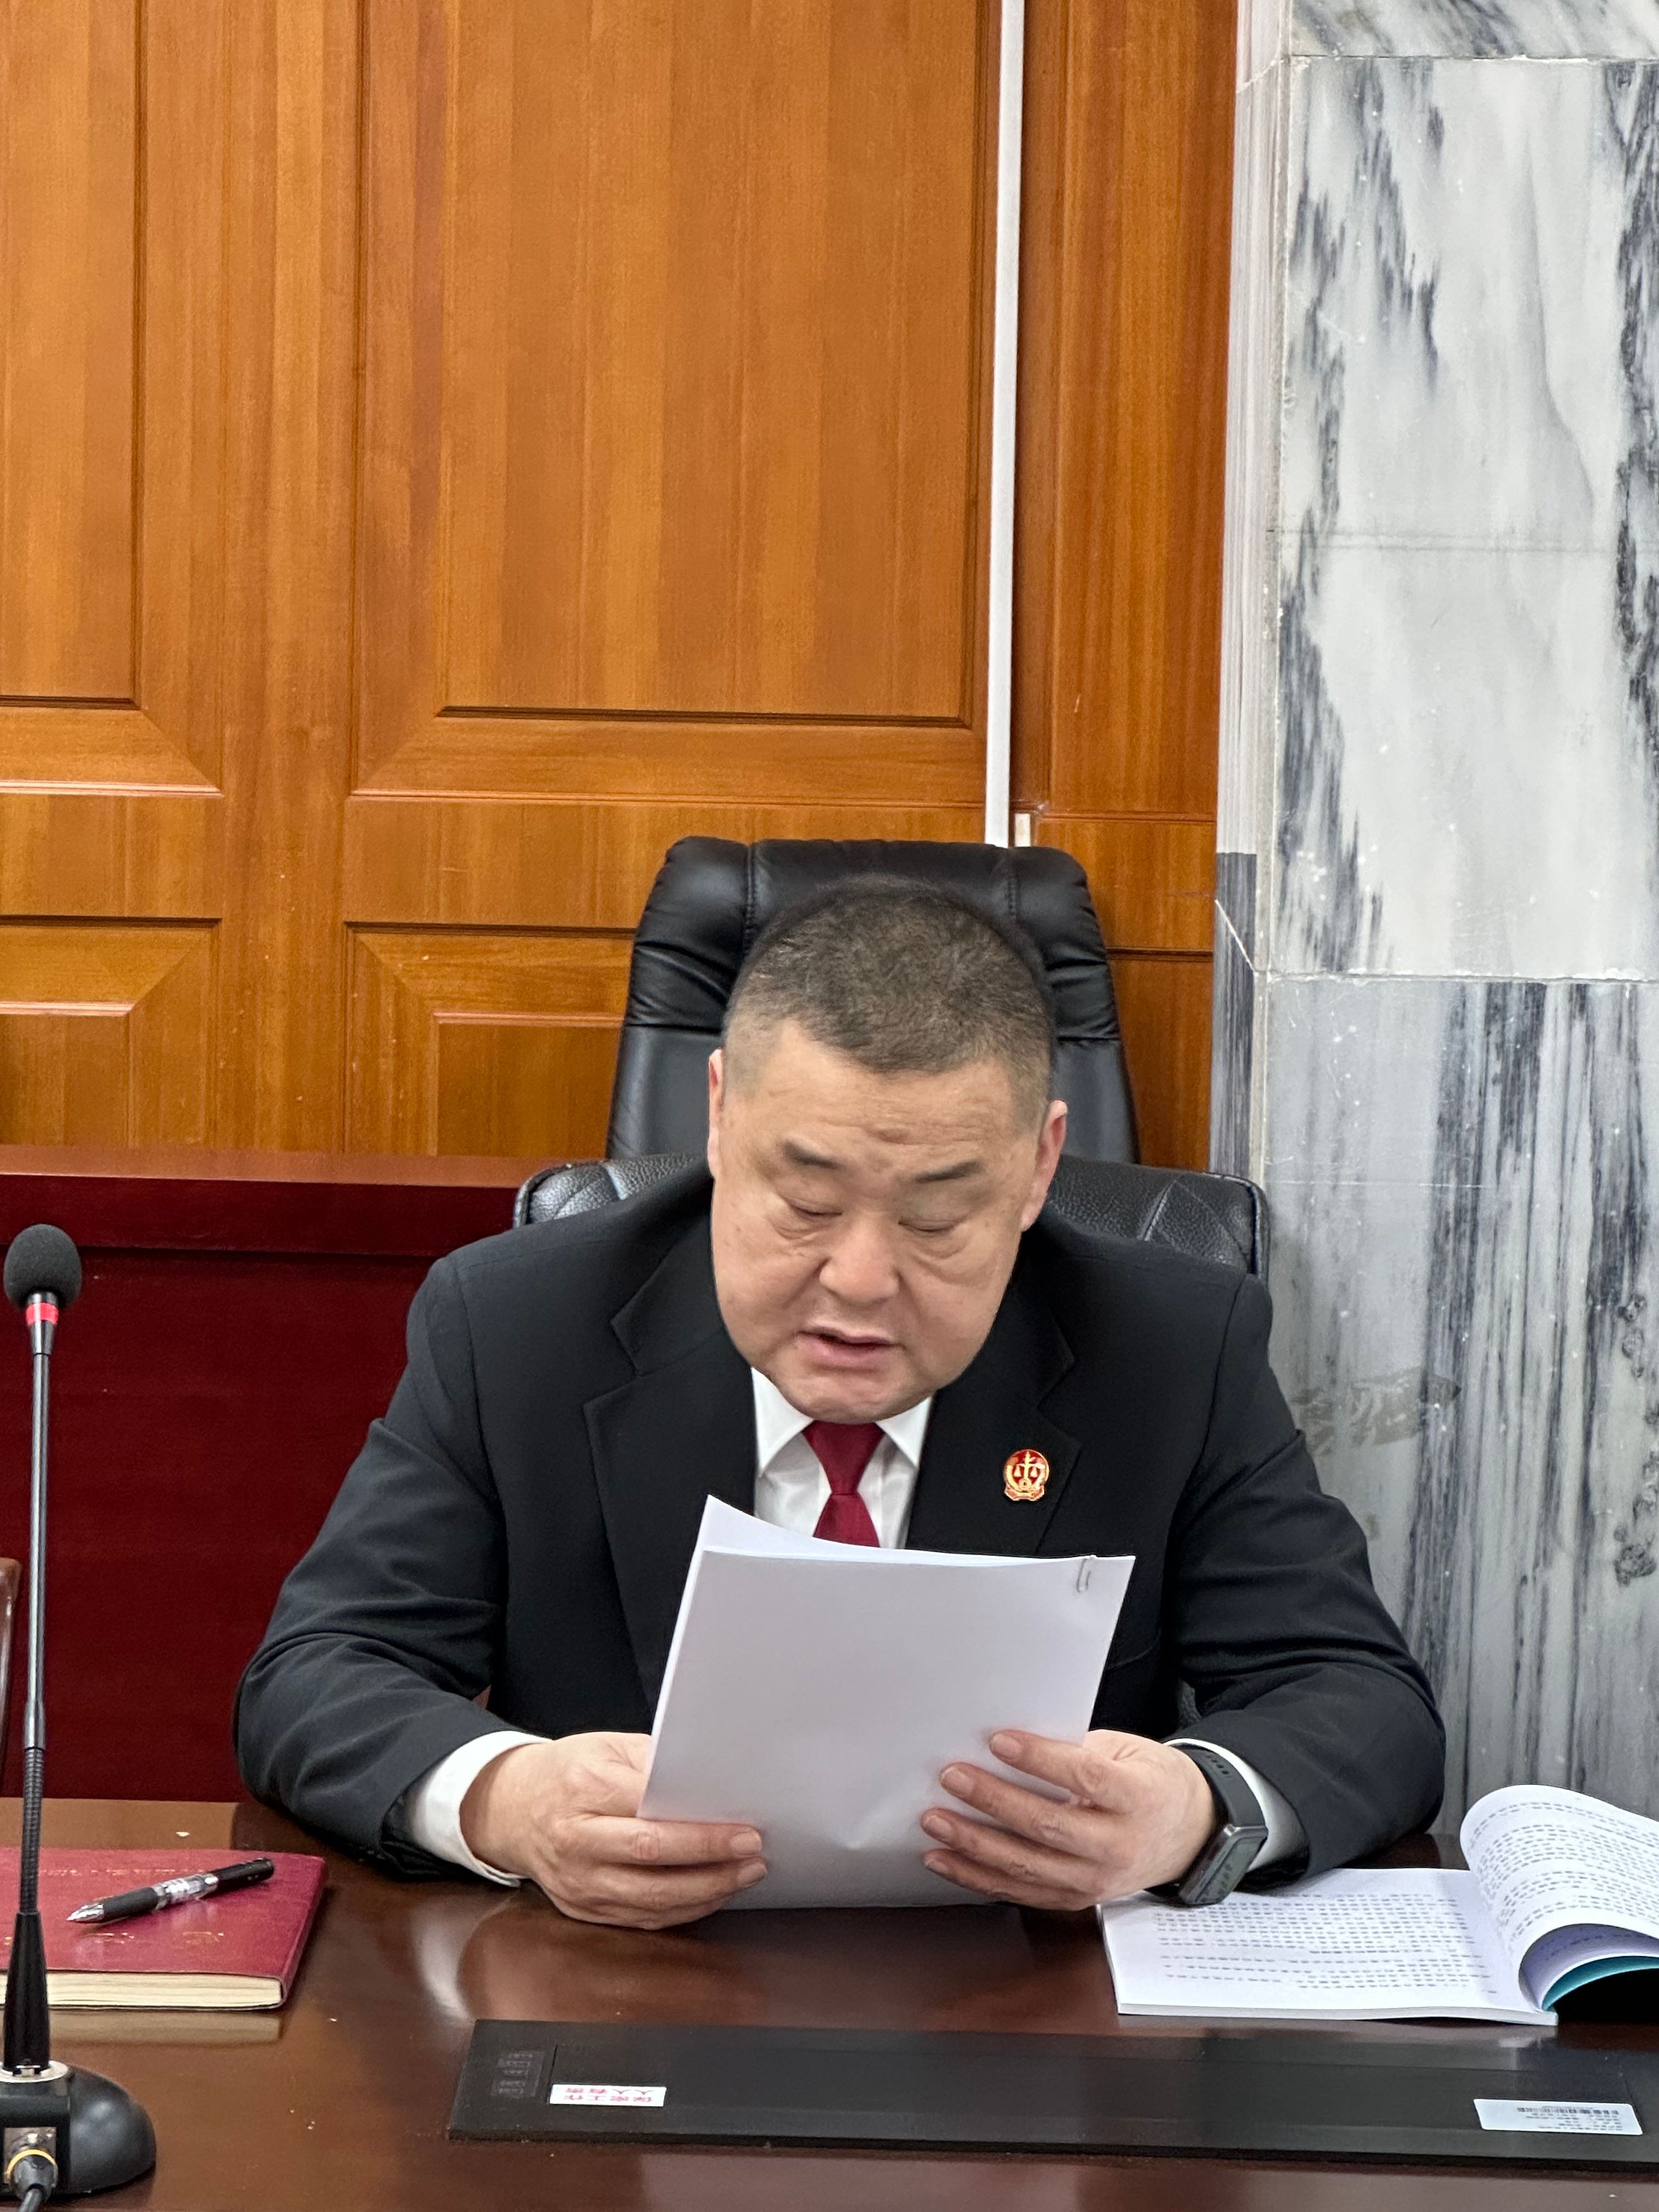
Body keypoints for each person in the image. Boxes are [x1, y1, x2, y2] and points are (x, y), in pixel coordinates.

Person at [236, 881, 1443, 1928]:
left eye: (935, 1218)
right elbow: (317, 1673)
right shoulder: (518, 1327)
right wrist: (511, 1801)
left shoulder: (1170, 1349)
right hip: (628, 1989)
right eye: (807, 1204)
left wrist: (1195, 1808)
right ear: (720, 1118)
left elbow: (1364, 1703)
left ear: (1038, 1167)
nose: (860, 1280)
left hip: (1025, 2012)